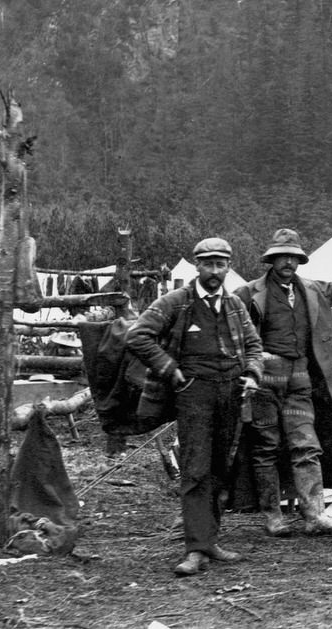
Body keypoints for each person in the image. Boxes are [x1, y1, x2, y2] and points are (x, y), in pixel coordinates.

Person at [126, 237, 263, 577]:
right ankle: (194, 549)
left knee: (221, 468)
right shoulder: (177, 302)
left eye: (221, 264)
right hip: (194, 395)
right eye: (208, 264)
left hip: (231, 393)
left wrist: (252, 373)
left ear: (229, 267)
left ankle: (210, 541)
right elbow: (137, 335)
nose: (215, 271)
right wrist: (170, 369)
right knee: (196, 469)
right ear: (196, 266)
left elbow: (254, 345)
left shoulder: (234, 305)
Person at [234, 228, 332, 537]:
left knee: (306, 445)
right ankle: (273, 516)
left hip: (300, 379)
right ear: (271, 260)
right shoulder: (248, 293)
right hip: (264, 380)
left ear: (300, 260)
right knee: (266, 447)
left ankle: (315, 515)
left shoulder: (310, 290)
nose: (288, 262)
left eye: (293, 257)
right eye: (282, 257)